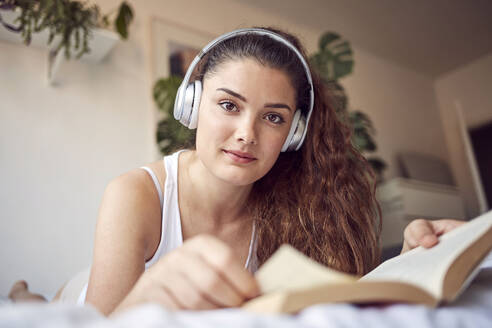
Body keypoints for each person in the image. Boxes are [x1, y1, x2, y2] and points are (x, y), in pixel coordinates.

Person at [8, 26, 464, 315]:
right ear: (192, 106)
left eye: (273, 117)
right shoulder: (135, 194)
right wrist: (152, 294)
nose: (247, 134)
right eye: (228, 105)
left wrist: (411, 261)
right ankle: (25, 297)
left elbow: (333, 300)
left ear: (293, 134)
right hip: (85, 295)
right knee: (43, 310)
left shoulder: (292, 207)